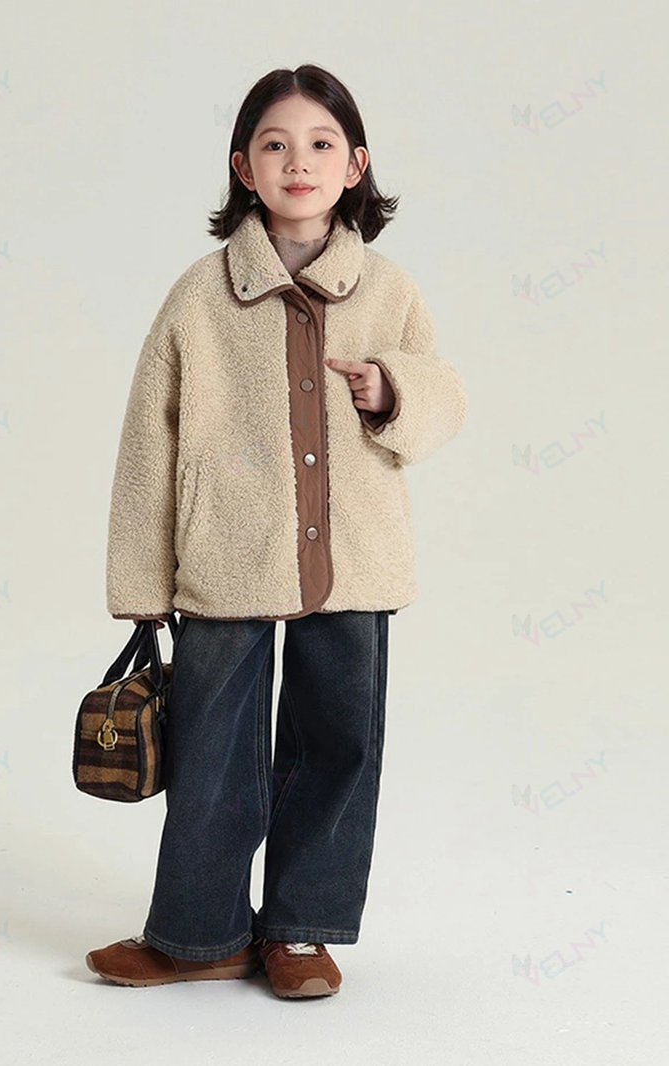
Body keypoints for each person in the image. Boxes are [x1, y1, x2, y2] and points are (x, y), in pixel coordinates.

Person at [86, 63, 467, 999]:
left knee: (337, 744)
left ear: (355, 165)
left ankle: (300, 931)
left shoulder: (388, 290)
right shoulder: (198, 296)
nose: (300, 161)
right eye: (276, 144)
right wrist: (141, 583)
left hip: (355, 559)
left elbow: (444, 395)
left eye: (321, 143)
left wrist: (392, 389)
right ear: (243, 167)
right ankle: (199, 934)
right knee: (211, 755)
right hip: (225, 559)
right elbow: (148, 441)